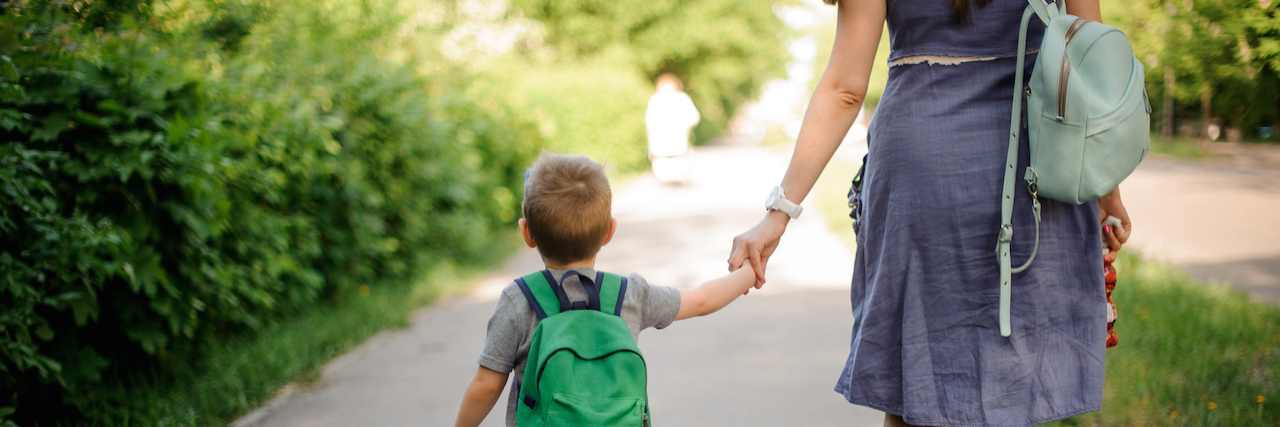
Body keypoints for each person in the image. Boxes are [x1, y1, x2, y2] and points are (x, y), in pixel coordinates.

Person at [727, 1, 1133, 426]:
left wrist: (778, 213)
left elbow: (844, 90)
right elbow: (1092, 61)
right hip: (1037, 170)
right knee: (1015, 378)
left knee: (916, 382)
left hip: (922, 173)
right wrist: (1106, 188)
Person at [454, 152, 760, 427]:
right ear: (609, 232)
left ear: (527, 233)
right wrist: (749, 271)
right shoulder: (629, 295)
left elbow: (486, 385)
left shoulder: (519, 299)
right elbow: (703, 300)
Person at [645, 73, 701, 184]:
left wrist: (684, 124)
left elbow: (694, 117)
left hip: (679, 141)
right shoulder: (655, 100)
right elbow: (649, 122)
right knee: (663, 174)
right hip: (659, 143)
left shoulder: (682, 98)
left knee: (679, 171)